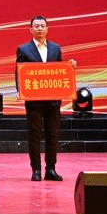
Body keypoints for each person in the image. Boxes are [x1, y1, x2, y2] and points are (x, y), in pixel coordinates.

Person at [16, 15, 77, 182]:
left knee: (52, 135)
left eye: (42, 26)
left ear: (47, 29)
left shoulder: (56, 49)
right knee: (34, 135)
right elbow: (19, 72)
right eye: (36, 26)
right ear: (31, 29)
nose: (40, 28)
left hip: (53, 100)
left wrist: (70, 66)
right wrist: (21, 91)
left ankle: (51, 168)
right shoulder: (24, 49)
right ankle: (36, 170)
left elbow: (60, 70)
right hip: (33, 100)